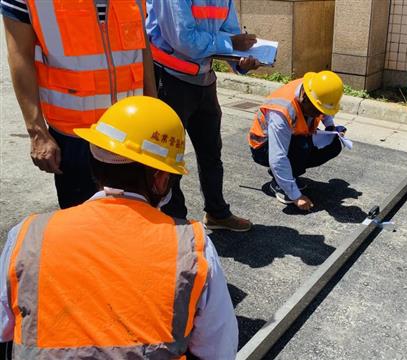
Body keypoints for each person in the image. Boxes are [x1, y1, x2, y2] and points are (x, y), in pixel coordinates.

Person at [0, 96, 238, 359]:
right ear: (160, 179)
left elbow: (4, 327)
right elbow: (218, 350)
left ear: (95, 162)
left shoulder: (27, 235)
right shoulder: (193, 246)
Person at [1, 0, 156, 209]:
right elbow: (20, 55)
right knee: (83, 226)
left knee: (138, 218)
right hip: (76, 136)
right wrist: (37, 132)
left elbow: (141, 44)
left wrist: (153, 109)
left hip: (131, 128)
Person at [146, 0, 259, 231]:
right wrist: (230, 43)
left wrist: (241, 61)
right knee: (169, 156)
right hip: (169, 79)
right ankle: (174, 220)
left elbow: (230, 33)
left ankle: (217, 213)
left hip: (204, 80)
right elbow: (183, 40)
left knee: (211, 151)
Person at [248, 71, 346, 211]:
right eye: (317, 110)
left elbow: (324, 109)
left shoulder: (313, 88)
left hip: (294, 138)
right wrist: (296, 196)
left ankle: (289, 176)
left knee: (333, 145)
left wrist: (331, 127)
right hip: (263, 146)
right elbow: (278, 157)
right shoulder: (281, 113)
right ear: (305, 97)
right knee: (302, 147)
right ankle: (280, 184)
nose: (319, 114)